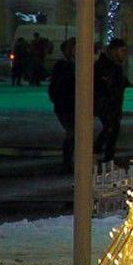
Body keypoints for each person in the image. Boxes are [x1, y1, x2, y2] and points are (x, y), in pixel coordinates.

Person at [93, 38, 129, 162]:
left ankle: (103, 156)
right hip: (106, 105)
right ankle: (98, 154)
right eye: (122, 51)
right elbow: (105, 87)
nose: (124, 54)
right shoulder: (104, 66)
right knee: (110, 129)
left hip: (112, 105)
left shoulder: (114, 66)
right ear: (113, 51)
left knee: (111, 130)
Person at [48, 37, 77, 170]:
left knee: (73, 133)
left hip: (71, 104)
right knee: (72, 132)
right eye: (74, 48)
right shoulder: (64, 65)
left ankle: (69, 160)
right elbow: (57, 87)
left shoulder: (73, 64)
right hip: (66, 105)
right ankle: (67, 161)